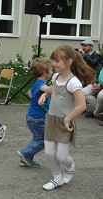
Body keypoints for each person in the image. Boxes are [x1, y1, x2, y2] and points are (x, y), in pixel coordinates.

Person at [38, 45, 94, 190]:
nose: (54, 64)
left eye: (57, 61)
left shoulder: (74, 82)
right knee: (50, 152)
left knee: (62, 156)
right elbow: (55, 91)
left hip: (65, 122)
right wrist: (45, 94)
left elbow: (81, 106)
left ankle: (70, 166)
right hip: (52, 119)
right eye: (54, 60)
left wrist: (68, 119)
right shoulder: (56, 77)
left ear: (69, 62)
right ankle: (57, 178)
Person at [16, 57, 53, 167]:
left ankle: (26, 159)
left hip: (32, 117)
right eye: (51, 70)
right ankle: (25, 152)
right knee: (45, 139)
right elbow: (47, 90)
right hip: (38, 118)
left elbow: (30, 93)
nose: (52, 72)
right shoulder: (41, 84)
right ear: (45, 72)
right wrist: (58, 87)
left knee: (37, 138)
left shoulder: (36, 83)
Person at [78, 40, 103, 120]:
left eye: (86, 46)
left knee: (100, 96)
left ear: (91, 47)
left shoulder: (98, 56)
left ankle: (96, 112)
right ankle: (98, 109)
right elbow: (99, 73)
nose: (84, 47)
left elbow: (93, 63)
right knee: (82, 92)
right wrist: (96, 83)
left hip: (91, 79)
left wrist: (101, 86)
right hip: (92, 80)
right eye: (83, 46)